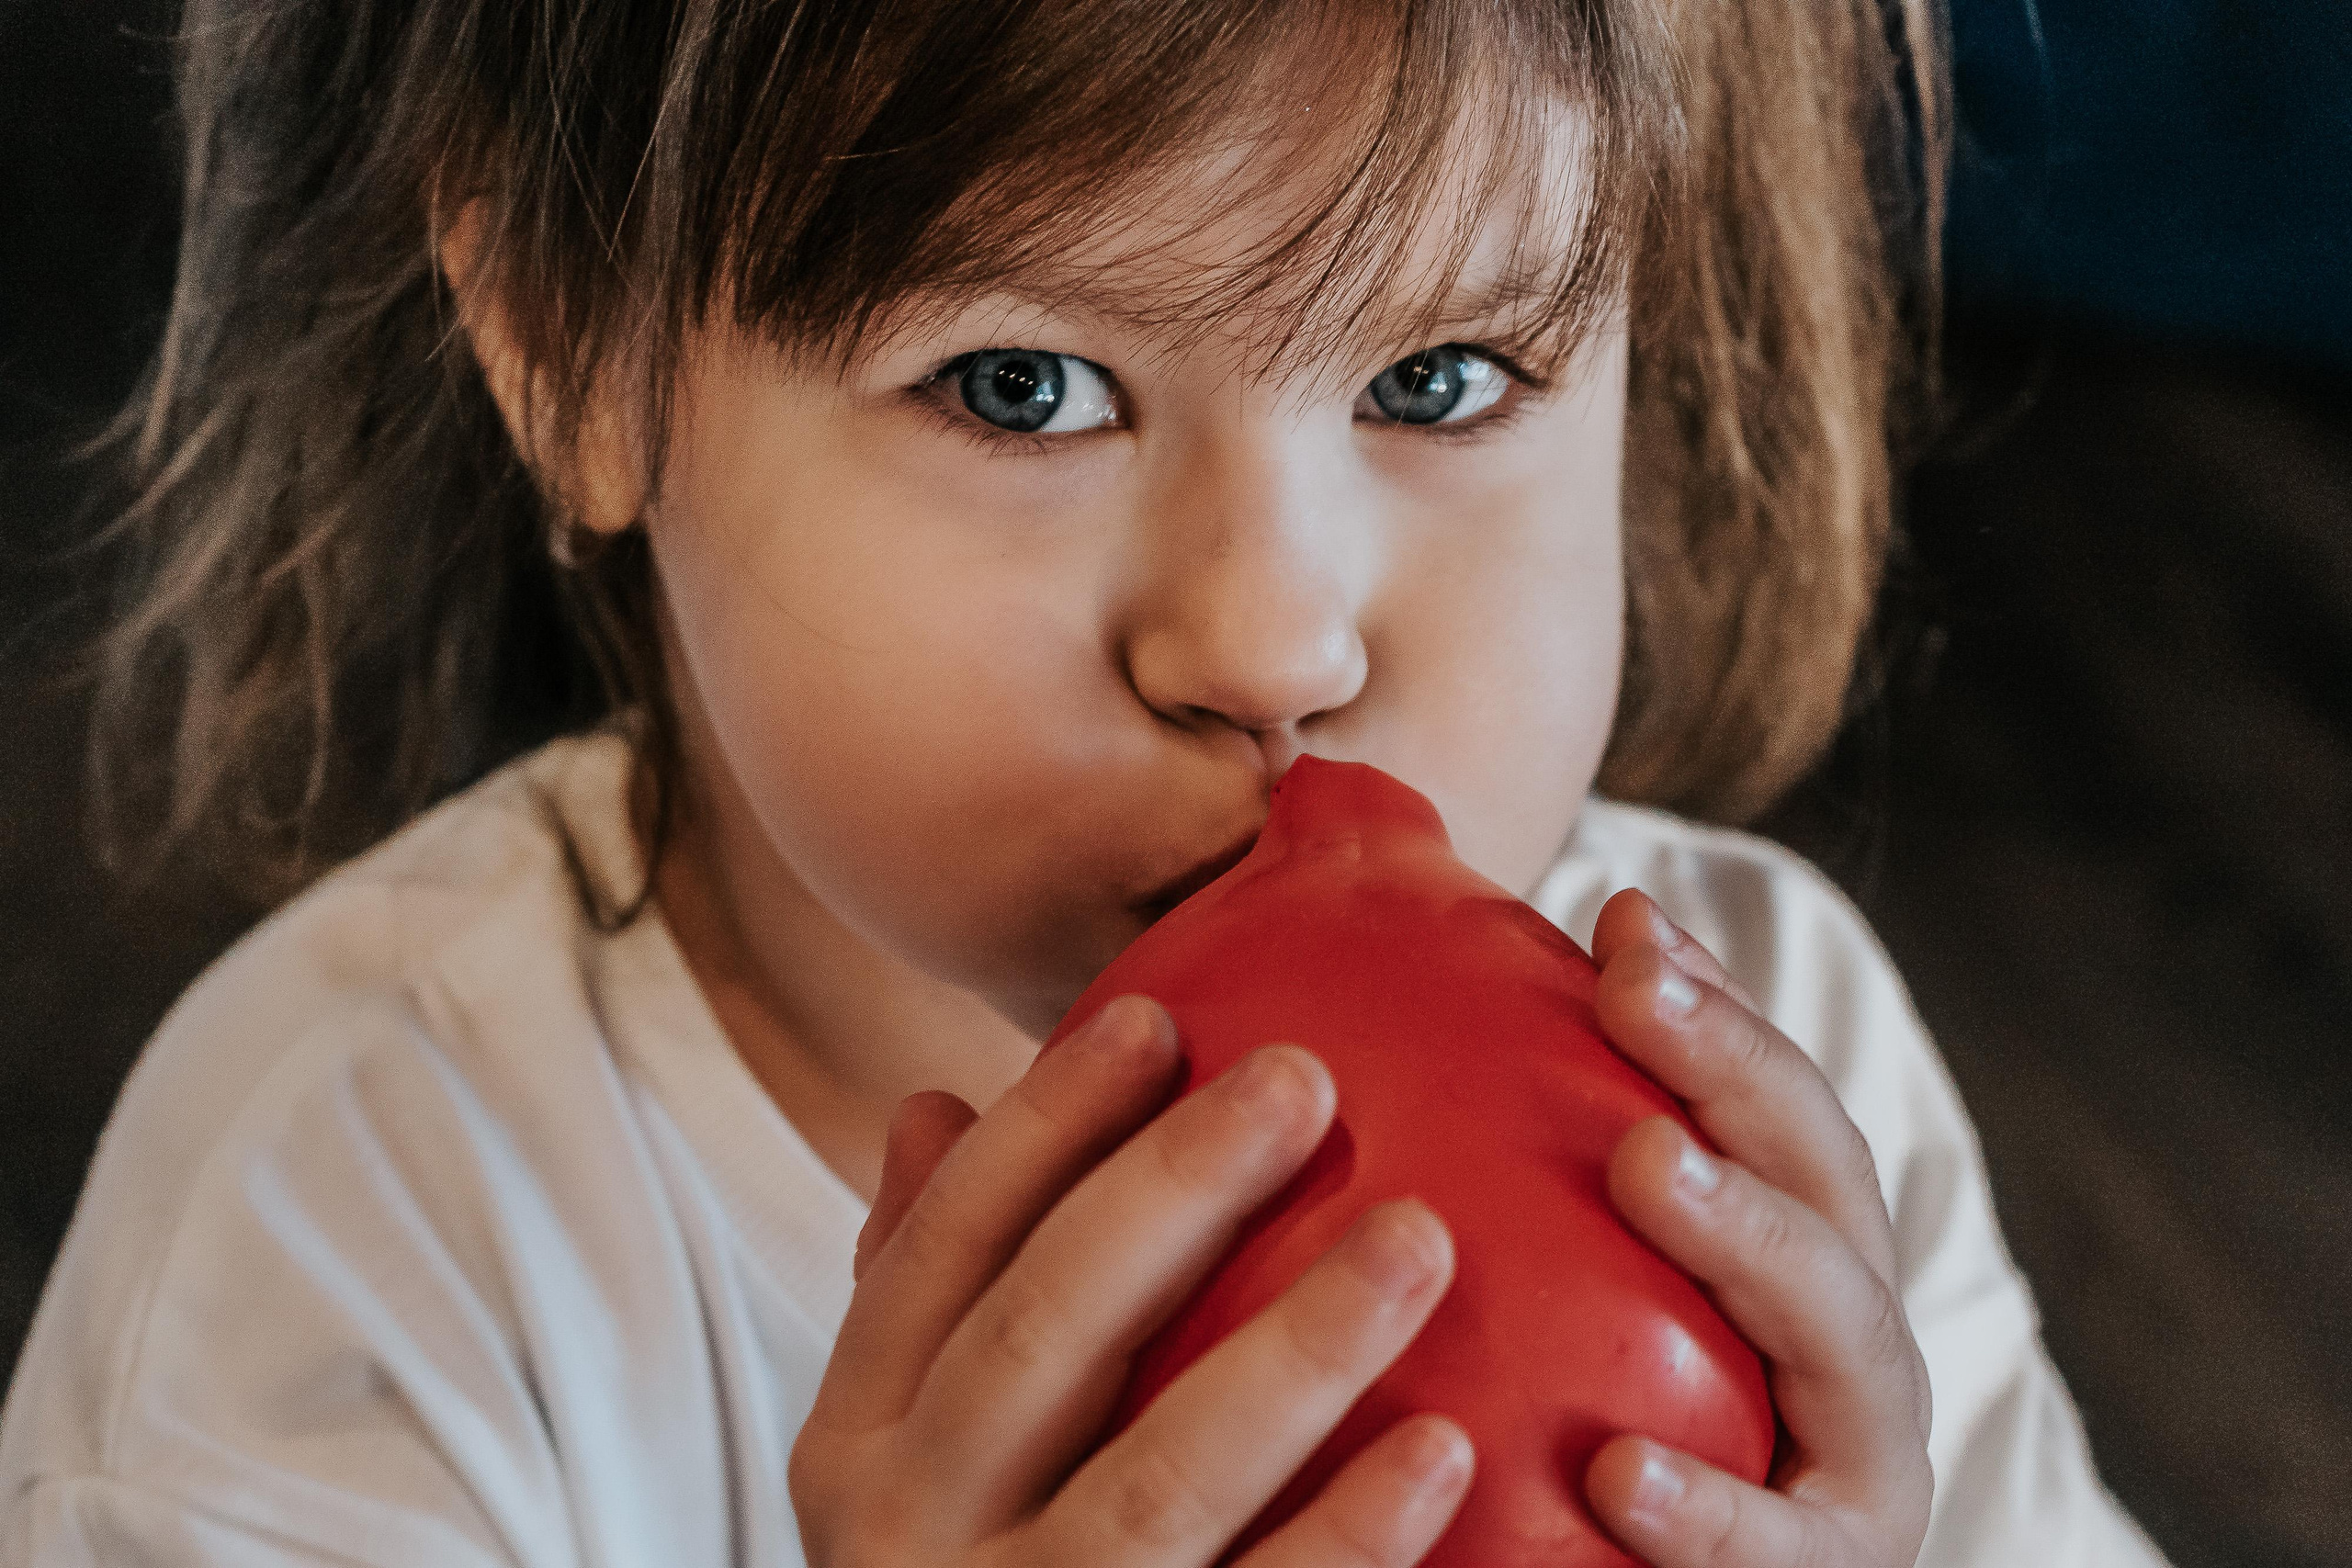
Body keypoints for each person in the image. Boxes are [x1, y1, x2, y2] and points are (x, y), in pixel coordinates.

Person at [0, 0, 2170, 1563]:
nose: (1269, 641)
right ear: (571, 343)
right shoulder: (359, 1224)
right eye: (1023, 385)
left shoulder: (1767, 1097)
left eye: (1442, 374)